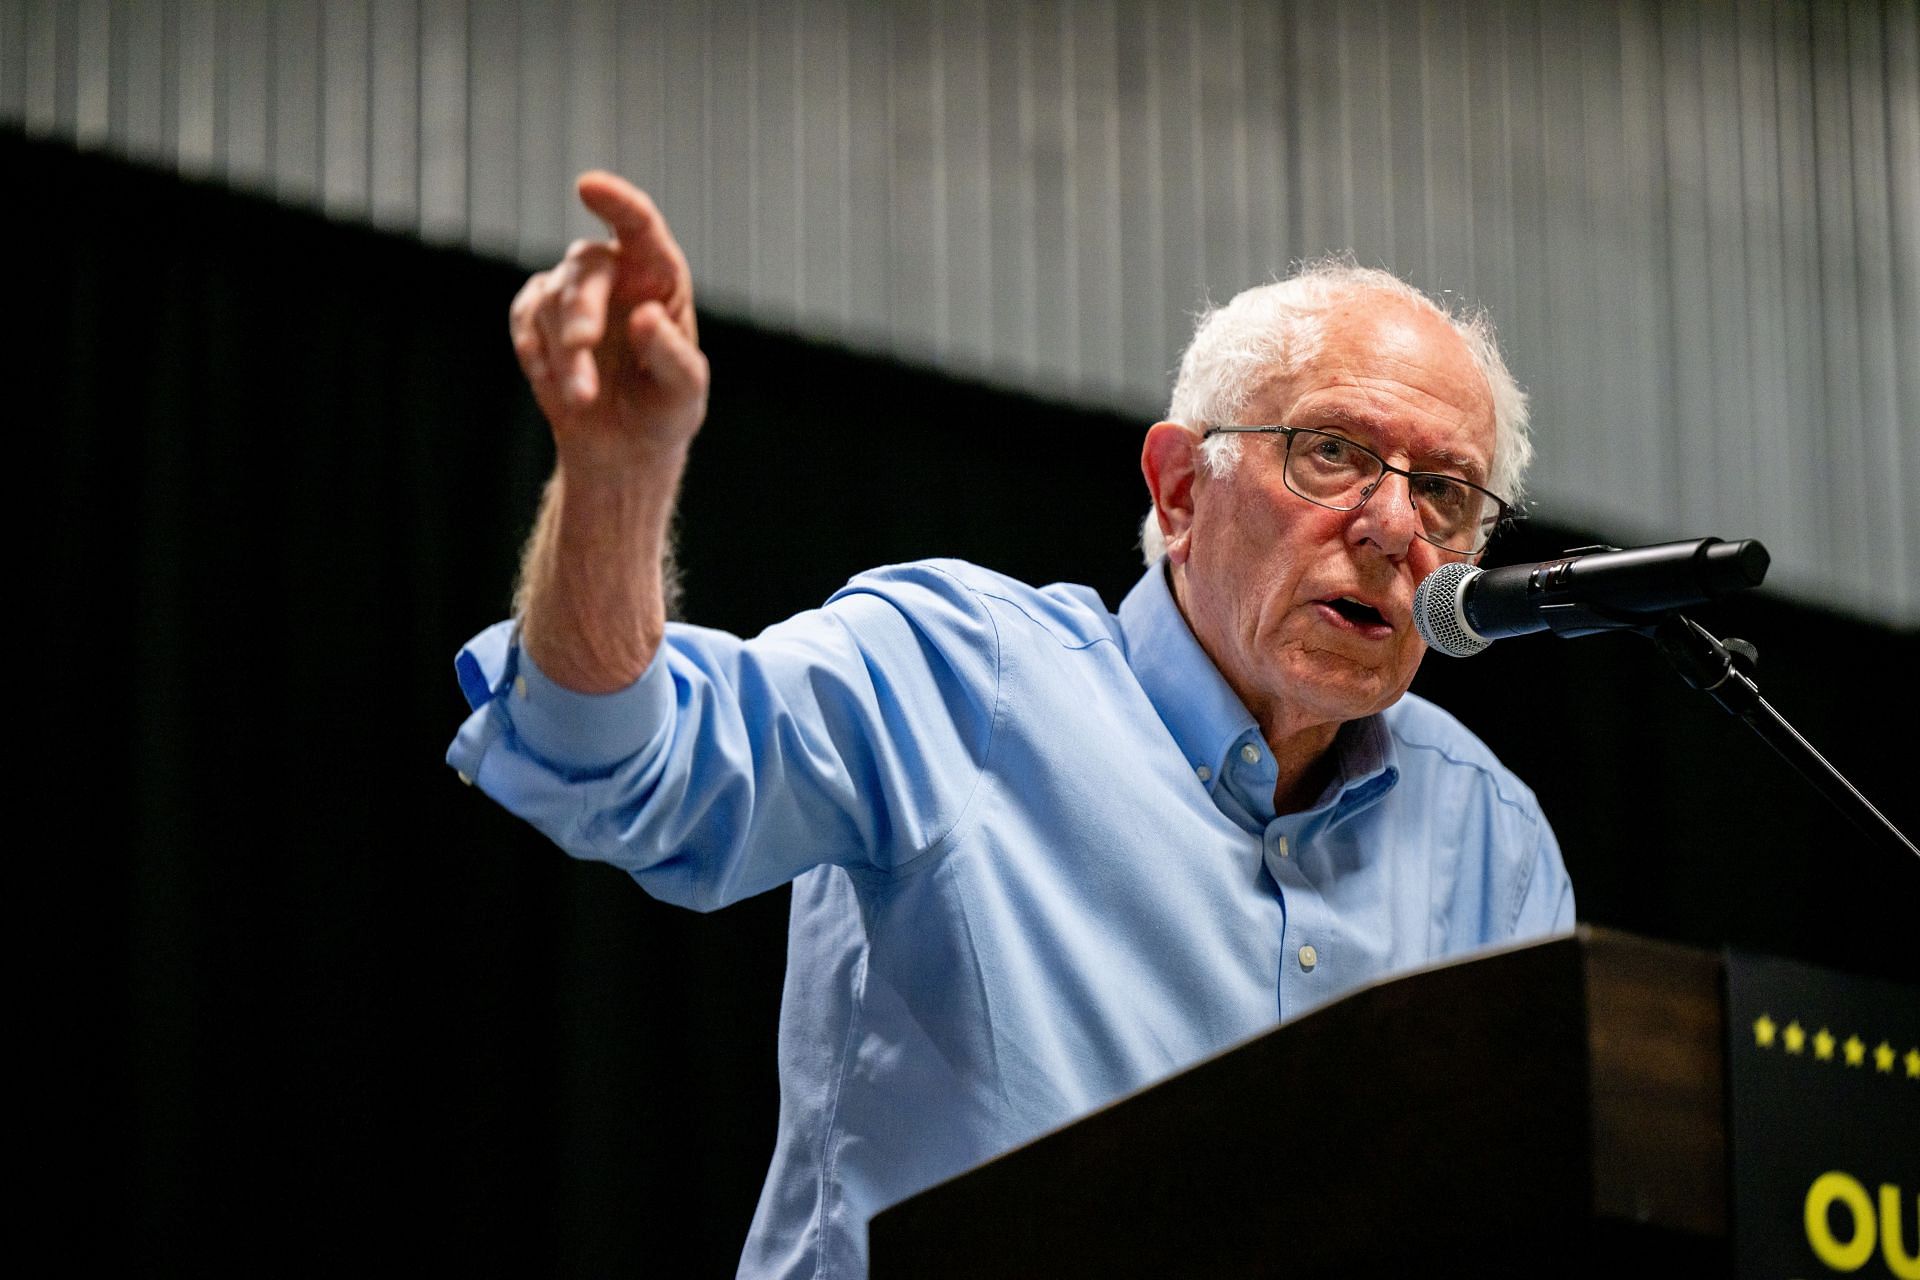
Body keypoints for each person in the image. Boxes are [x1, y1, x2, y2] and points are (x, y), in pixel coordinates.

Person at [448, 171, 1574, 1278]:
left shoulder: (1494, 844)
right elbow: (617, 763)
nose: (1391, 526)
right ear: (1181, 492)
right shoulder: (957, 673)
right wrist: (618, 474)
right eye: (1331, 452)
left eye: (1446, 492)